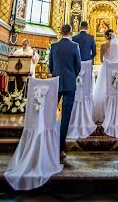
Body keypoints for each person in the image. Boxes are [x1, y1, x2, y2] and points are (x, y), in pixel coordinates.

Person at [49, 24, 81, 158]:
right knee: (65, 117)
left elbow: (50, 65)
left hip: (56, 82)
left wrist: (56, 75)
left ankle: (48, 143)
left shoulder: (54, 46)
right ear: (71, 32)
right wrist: (71, 76)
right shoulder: (74, 46)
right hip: (69, 84)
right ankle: (60, 148)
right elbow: (78, 66)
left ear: (60, 32)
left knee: (50, 114)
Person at [93, 29, 118, 122]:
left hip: (106, 68)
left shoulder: (103, 45)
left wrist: (106, 60)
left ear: (106, 36)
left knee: (103, 89)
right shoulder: (116, 45)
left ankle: (104, 111)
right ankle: (116, 111)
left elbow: (101, 59)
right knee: (114, 89)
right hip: (116, 69)